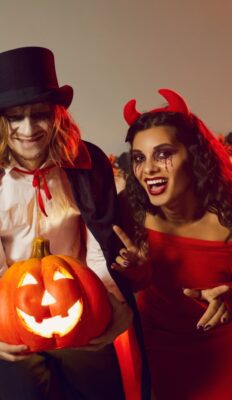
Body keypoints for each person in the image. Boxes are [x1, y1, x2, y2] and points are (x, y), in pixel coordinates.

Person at [0, 47, 150, 399]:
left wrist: (114, 305)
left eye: (39, 114)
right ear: (0, 122)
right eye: (15, 118)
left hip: (80, 301)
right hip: (13, 307)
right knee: (22, 386)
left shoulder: (89, 167)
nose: (28, 129)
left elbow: (97, 252)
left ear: (57, 115)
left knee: (98, 387)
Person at [113, 88, 232, 399]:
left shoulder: (229, 214)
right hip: (160, 356)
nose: (149, 168)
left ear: (194, 155)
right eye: (139, 158)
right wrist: (136, 274)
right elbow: (129, 288)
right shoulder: (129, 210)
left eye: (164, 154)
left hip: (225, 353)